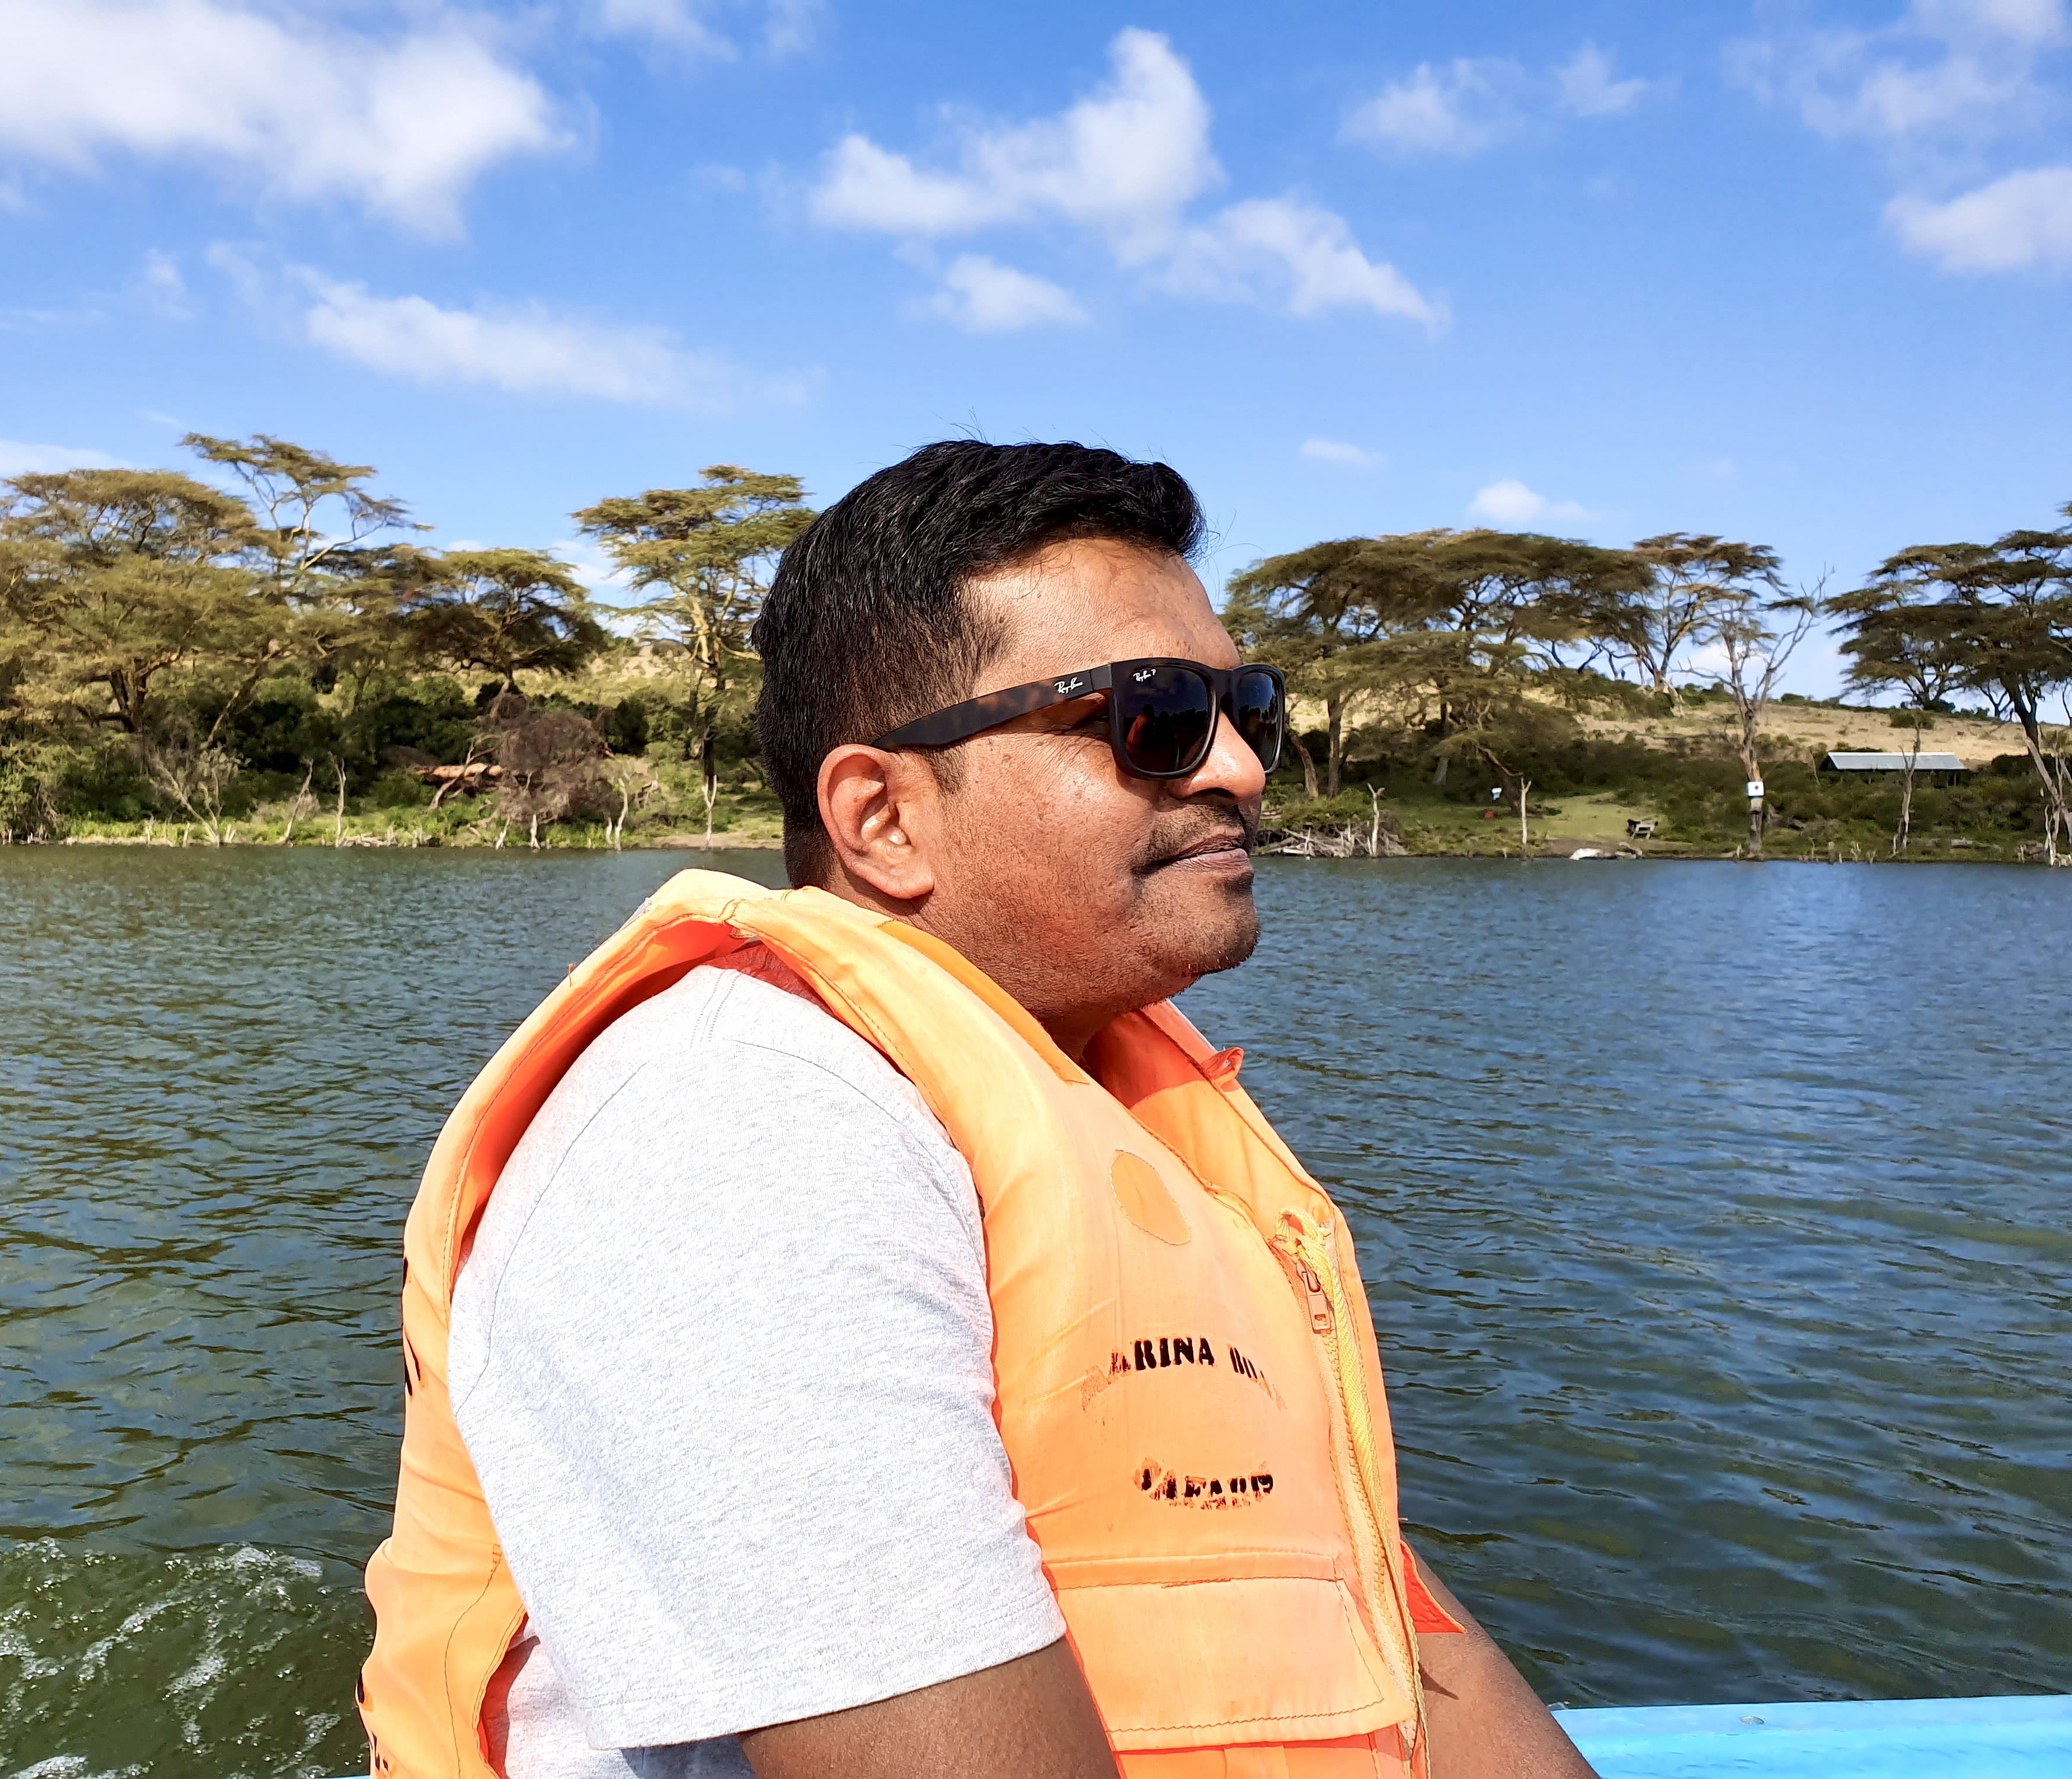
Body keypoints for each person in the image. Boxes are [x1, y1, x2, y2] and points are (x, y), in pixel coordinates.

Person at [358, 441, 1596, 1779]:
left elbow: (1405, 1635)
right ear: (882, 817)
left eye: (1248, 706)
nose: (1239, 766)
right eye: (1152, 714)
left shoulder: (1118, 1099)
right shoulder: (735, 1134)